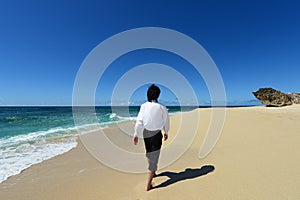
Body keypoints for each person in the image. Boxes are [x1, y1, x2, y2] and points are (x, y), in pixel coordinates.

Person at [133, 84, 170, 191]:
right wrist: (166, 131)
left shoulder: (143, 106)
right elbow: (166, 121)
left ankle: (153, 173)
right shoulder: (162, 107)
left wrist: (136, 134)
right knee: (154, 158)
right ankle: (148, 185)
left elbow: (139, 121)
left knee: (149, 153)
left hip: (146, 133)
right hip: (156, 134)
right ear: (158, 95)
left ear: (148, 95)